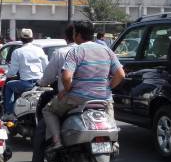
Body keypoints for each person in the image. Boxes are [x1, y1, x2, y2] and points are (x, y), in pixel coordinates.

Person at [43, 20, 125, 151]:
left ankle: (57, 141)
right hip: (104, 100)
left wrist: (66, 90)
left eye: (74, 32)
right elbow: (121, 74)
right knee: (110, 118)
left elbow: (66, 77)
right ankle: (114, 142)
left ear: (78, 35)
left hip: (78, 98)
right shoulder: (107, 50)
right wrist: (108, 88)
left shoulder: (76, 51)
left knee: (48, 110)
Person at [23, 23, 76, 162]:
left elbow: (49, 77)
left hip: (70, 97)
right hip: (98, 96)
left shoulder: (62, 53)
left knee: (43, 123)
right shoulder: (96, 51)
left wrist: (41, 83)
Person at [3, 28, 48, 120]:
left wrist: (6, 74)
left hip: (26, 84)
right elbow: (46, 67)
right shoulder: (39, 50)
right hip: (40, 83)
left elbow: (12, 72)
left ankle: (9, 113)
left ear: (21, 39)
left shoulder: (17, 52)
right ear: (32, 38)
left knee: (8, 85)